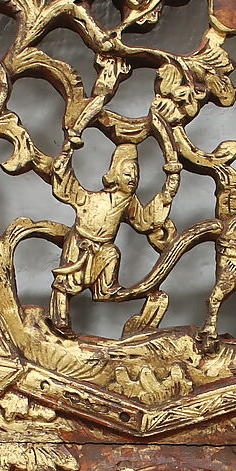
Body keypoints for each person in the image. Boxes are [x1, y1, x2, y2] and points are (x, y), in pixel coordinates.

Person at [45, 141, 177, 335]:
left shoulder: (129, 202)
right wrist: (64, 161)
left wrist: (167, 194)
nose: (133, 178)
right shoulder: (91, 199)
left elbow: (144, 221)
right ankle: (59, 322)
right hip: (80, 243)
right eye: (127, 174)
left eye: (136, 174)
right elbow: (69, 189)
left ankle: (106, 290)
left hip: (103, 248)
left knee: (112, 254)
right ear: (115, 174)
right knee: (65, 284)